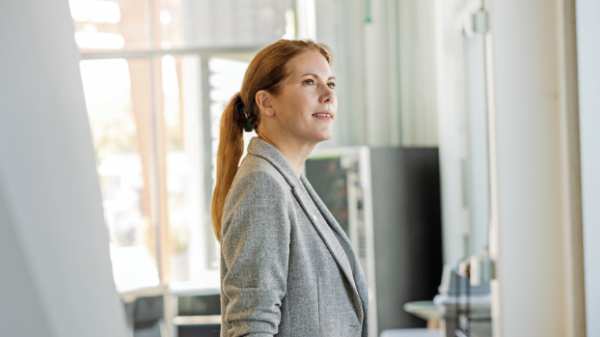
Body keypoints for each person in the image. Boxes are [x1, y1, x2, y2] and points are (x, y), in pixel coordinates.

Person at [212, 39, 369, 337]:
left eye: (331, 84)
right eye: (310, 82)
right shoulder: (262, 185)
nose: (328, 96)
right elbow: (251, 328)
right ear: (266, 102)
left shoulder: (287, 182)